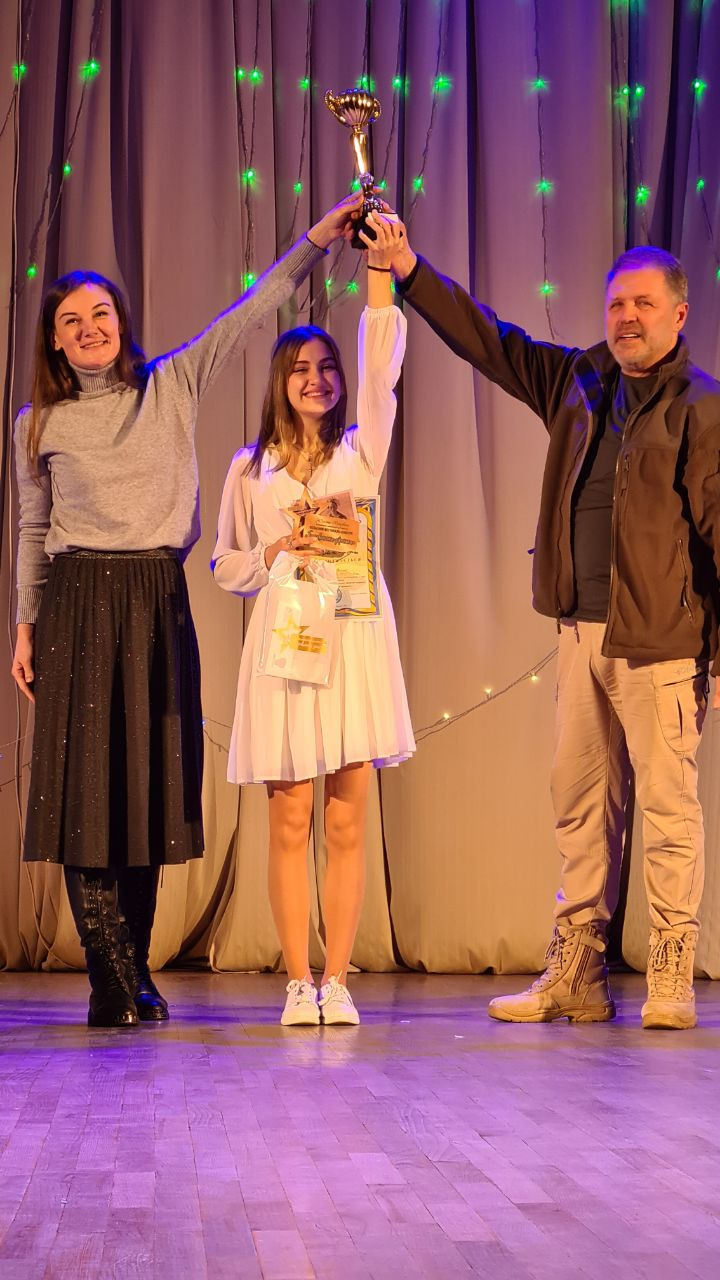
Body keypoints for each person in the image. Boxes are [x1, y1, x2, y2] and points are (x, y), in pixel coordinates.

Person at [11, 194, 363, 1028]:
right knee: (86, 793)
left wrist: (320, 237)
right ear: (54, 340)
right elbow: (33, 529)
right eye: (71, 320)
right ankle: (110, 977)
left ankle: (133, 968)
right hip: (77, 601)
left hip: (155, 599)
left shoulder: (169, 383)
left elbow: (254, 310)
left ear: (121, 323)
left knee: (145, 789)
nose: (89, 328)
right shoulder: (37, 423)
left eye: (100, 314)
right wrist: (24, 626)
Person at [386, 227, 720, 1030]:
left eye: (644, 304)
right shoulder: (579, 381)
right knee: (579, 807)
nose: (626, 316)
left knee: (668, 810)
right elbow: (491, 343)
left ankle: (671, 969)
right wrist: (408, 271)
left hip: (664, 644)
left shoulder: (702, 406)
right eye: (616, 304)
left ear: (679, 315)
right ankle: (578, 972)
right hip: (580, 635)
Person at [212, 212, 414, 1027]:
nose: (317, 380)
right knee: (290, 816)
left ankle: (338, 980)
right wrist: (274, 552)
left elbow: (381, 370)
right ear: (279, 382)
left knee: (346, 817)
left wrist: (379, 273)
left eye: (327, 367)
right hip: (287, 646)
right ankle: (298, 982)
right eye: (301, 369)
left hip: (354, 634)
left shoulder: (360, 452)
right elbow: (225, 565)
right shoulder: (249, 469)